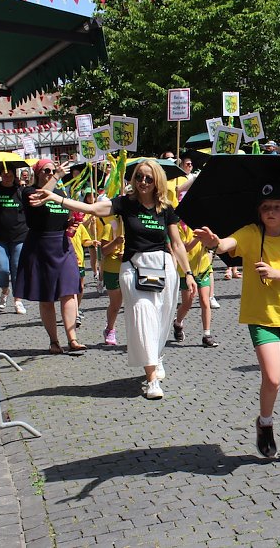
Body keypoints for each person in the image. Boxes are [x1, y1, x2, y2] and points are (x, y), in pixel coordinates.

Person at [30, 160, 197, 400]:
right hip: (132, 268)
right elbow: (92, 210)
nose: (143, 182)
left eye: (149, 178)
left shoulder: (166, 208)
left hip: (163, 268)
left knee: (161, 320)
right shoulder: (125, 203)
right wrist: (57, 198)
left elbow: (177, 244)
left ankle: (156, 355)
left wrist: (188, 273)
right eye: (139, 176)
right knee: (142, 316)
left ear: (157, 181)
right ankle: (151, 378)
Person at [194, 184, 280, 467]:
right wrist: (214, 242)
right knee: (273, 378)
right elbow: (226, 245)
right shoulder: (250, 233)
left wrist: (274, 272)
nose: (270, 211)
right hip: (261, 318)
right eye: (265, 207)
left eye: (276, 206)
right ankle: (264, 422)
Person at [12, 159, 87, 353]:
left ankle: (73, 339)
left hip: (61, 244)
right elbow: (37, 200)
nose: (50, 173)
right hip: (40, 246)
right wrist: (57, 176)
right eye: (46, 170)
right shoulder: (28, 192)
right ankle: (54, 341)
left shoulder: (60, 193)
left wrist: (70, 223)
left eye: (52, 170)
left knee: (69, 291)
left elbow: (62, 215)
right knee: (46, 297)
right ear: (37, 173)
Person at [0, 166, 29, 314]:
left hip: (19, 236)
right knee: (1, 268)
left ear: (15, 176)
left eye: (10, 175)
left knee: (17, 268)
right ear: (1, 175)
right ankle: (5, 289)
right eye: (4, 175)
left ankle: (18, 300)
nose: (7, 177)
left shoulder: (20, 190)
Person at [173, 222, 219, 348]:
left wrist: (209, 241)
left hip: (203, 268)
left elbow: (213, 245)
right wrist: (197, 238)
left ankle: (207, 335)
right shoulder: (178, 227)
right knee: (187, 303)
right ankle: (178, 323)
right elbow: (184, 248)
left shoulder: (201, 224)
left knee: (205, 301)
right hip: (186, 271)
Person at [99, 217, 124, 345]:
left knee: (134, 305)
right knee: (115, 304)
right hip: (112, 270)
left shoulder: (136, 225)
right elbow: (103, 250)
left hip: (130, 269)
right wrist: (115, 242)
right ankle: (110, 329)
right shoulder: (110, 226)